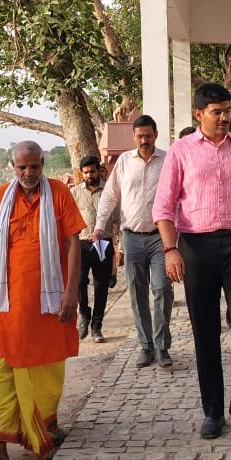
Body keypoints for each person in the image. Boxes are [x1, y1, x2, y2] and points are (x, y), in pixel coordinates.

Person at [154, 83, 231, 439]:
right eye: (216, 112)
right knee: (204, 330)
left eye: (228, 111)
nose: (224, 118)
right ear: (199, 114)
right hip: (195, 246)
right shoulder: (180, 151)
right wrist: (170, 249)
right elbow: (163, 207)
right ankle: (212, 410)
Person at [0, 142, 84, 460]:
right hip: (10, 304)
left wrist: (71, 291)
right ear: (13, 167)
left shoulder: (59, 192)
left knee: (50, 367)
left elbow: (74, 242)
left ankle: (46, 424)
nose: (28, 173)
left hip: (50, 301)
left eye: (34, 167)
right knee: (10, 367)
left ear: (42, 164)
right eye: (22, 168)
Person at [93, 115, 173, 369]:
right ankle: (146, 345)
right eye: (140, 136)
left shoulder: (168, 160)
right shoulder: (125, 162)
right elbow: (109, 196)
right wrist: (98, 226)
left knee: (162, 289)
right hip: (132, 238)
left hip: (160, 237)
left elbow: (179, 196)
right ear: (134, 137)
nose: (144, 140)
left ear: (156, 135)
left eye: (148, 136)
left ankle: (162, 346)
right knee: (137, 293)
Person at [72, 155, 114, 343]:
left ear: (99, 171)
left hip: (104, 244)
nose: (90, 175)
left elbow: (119, 218)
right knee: (79, 282)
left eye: (93, 171)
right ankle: (84, 315)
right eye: (86, 172)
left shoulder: (110, 191)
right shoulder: (74, 192)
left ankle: (97, 326)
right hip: (82, 243)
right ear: (82, 174)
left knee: (101, 286)